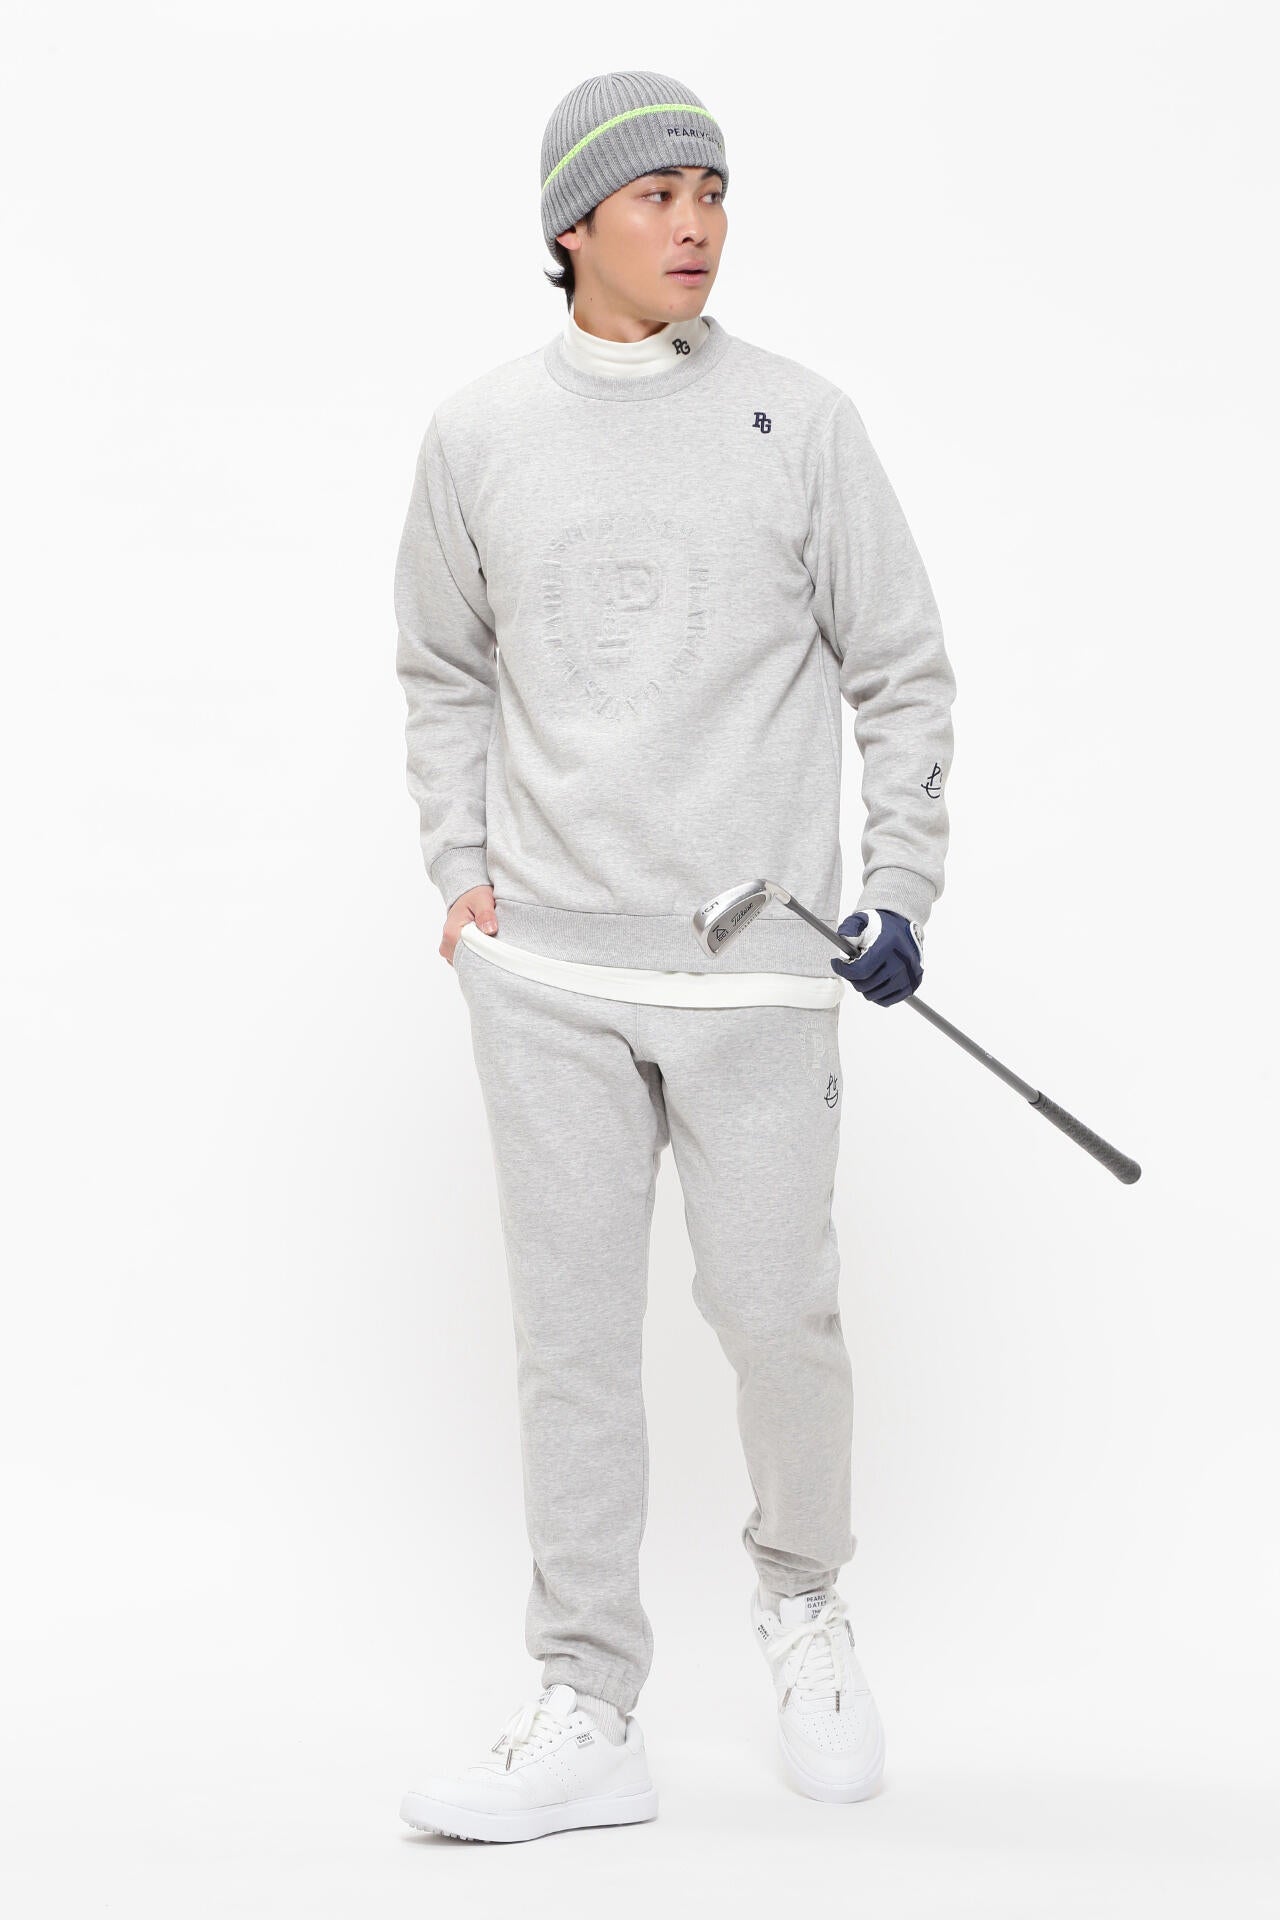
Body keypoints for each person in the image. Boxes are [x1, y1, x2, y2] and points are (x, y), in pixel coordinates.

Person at [393, 69, 956, 1844]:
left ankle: (805, 1601)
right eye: (657, 196)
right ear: (574, 224)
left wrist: (902, 887)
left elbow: (903, 666)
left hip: (760, 970)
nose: (698, 224)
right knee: (571, 1345)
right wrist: (460, 869)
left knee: (779, 1317)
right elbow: (441, 667)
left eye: (714, 191)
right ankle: (588, 1701)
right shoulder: (479, 433)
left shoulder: (803, 421)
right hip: (549, 975)